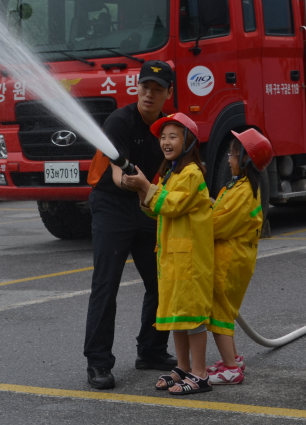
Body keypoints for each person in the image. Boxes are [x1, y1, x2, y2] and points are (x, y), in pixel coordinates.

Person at [83, 61, 176, 390]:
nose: (150, 94)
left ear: (168, 93)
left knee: (162, 280)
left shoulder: (169, 126)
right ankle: (98, 362)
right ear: (137, 88)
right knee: (106, 284)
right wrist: (136, 183)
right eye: (145, 87)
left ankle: (151, 350)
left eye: (158, 89)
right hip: (113, 204)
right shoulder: (119, 121)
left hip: (148, 203)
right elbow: (118, 175)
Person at [140, 113, 214, 396]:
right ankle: (183, 367)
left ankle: (200, 373)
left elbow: (172, 204)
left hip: (190, 261)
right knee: (176, 315)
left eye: (173, 136)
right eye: (162, 137)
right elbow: (160, 205)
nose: (166, 142)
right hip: (174, 258)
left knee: (192, 317)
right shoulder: (174, 172)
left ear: (189, 141)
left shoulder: (192, 173)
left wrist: (146, 188)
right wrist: (143, 193)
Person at [206, 129, 274, 386]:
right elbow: (224, 213)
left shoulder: (244, 192)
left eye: (233, 154)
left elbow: (217, 224)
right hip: (234, 260)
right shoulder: (243, 187)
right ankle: (230, 357)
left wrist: (196, 216)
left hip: (228, 261)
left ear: (247, 159)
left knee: (219, 313)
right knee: (225, 310)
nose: (228, 159)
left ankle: (231, 369)